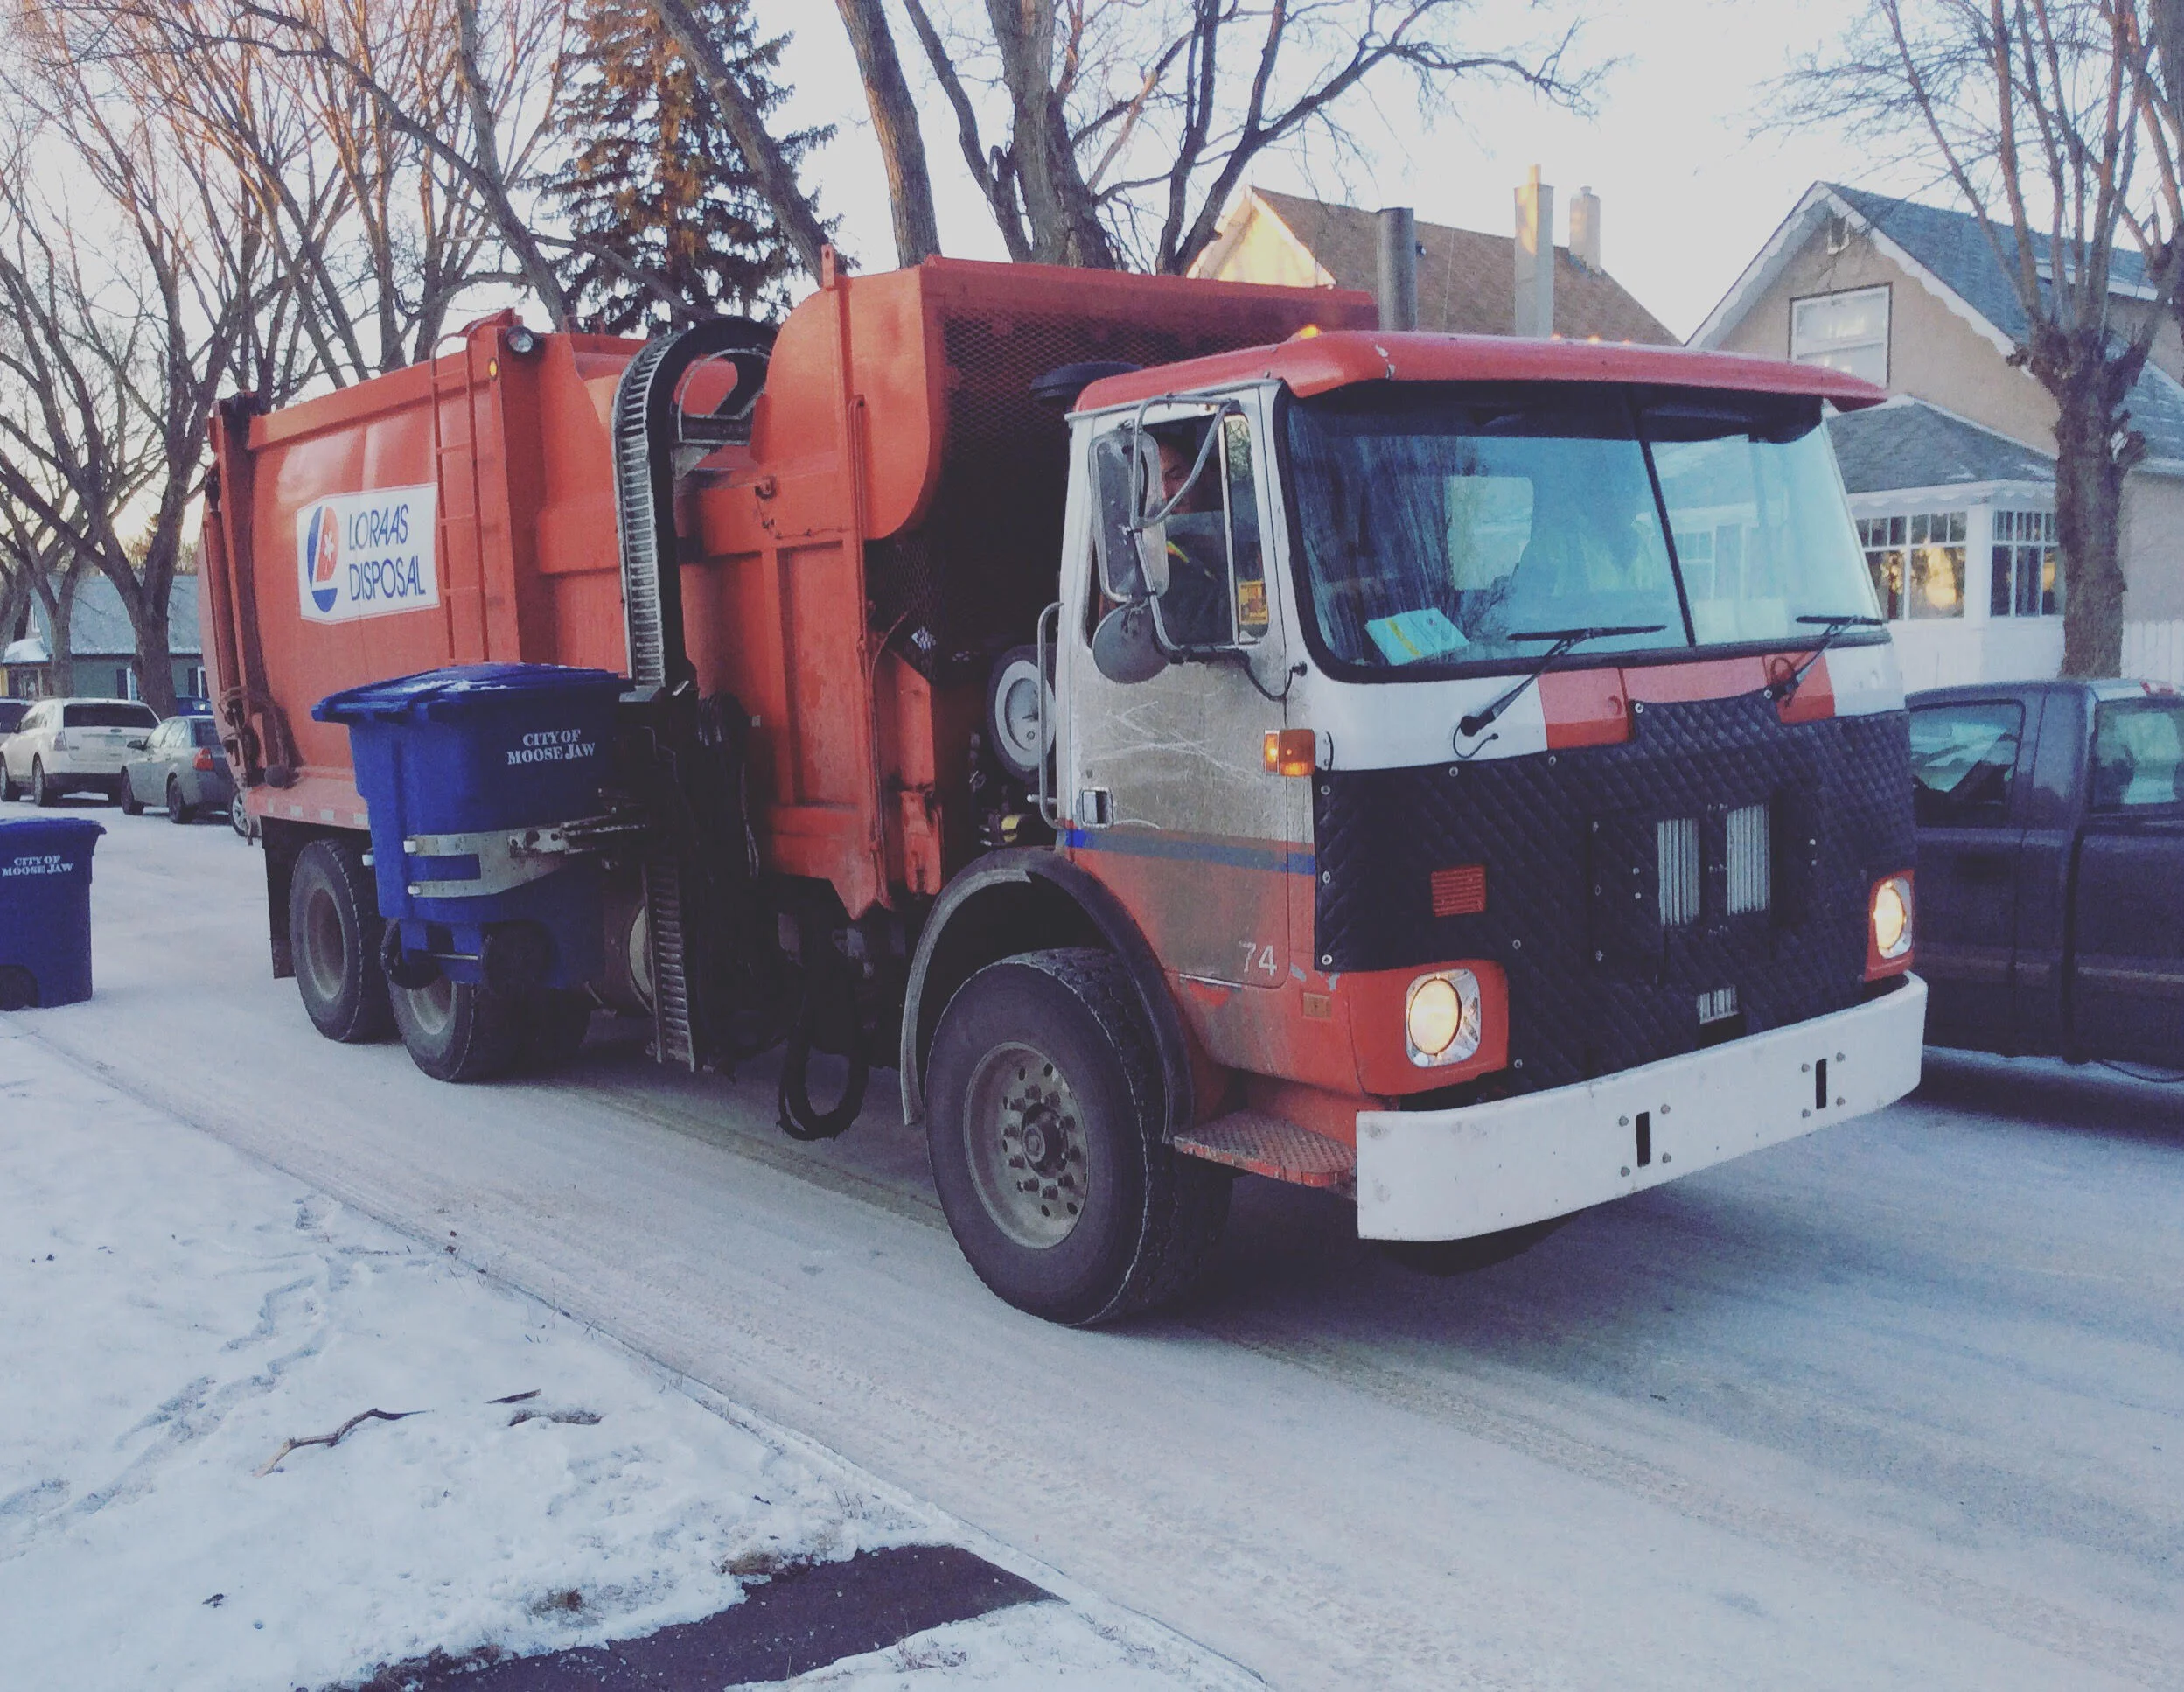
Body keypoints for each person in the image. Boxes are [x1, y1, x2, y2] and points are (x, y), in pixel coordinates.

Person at [1148, 426, 1230, 645]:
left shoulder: (1239, 536)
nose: (1166, 495)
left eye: (1175, 476)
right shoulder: (1152, 565)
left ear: (1203, 476)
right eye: (1154, 483)